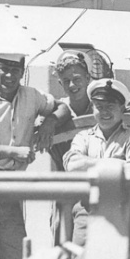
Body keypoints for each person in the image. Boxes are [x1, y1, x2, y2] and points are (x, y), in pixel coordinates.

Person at [0, 51, 70, 259]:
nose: (9, 76)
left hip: (9, 192)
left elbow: (63, 108)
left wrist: (50, 122)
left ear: (22, 73)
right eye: (4, 70)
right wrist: (11, 151)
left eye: (15, 71)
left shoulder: (32, 96)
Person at [63, 78, 130, 246]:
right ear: (92, 108)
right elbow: (73, 166)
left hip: (126, 206)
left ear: (122, 108)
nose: (105, 112)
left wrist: (89, 164)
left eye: (110, 106)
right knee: (80, 258)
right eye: (99, 107)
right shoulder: (83, 137)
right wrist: (118, 163)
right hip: (88, 206)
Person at [49, 50, 93, 243]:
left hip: (96, 186)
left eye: (77, 79)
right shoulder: (55, 112)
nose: (72, 85)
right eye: (66, 81)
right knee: (63, 243)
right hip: (65, 188)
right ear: (60, 84)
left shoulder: (101, 107)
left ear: (88, 77)